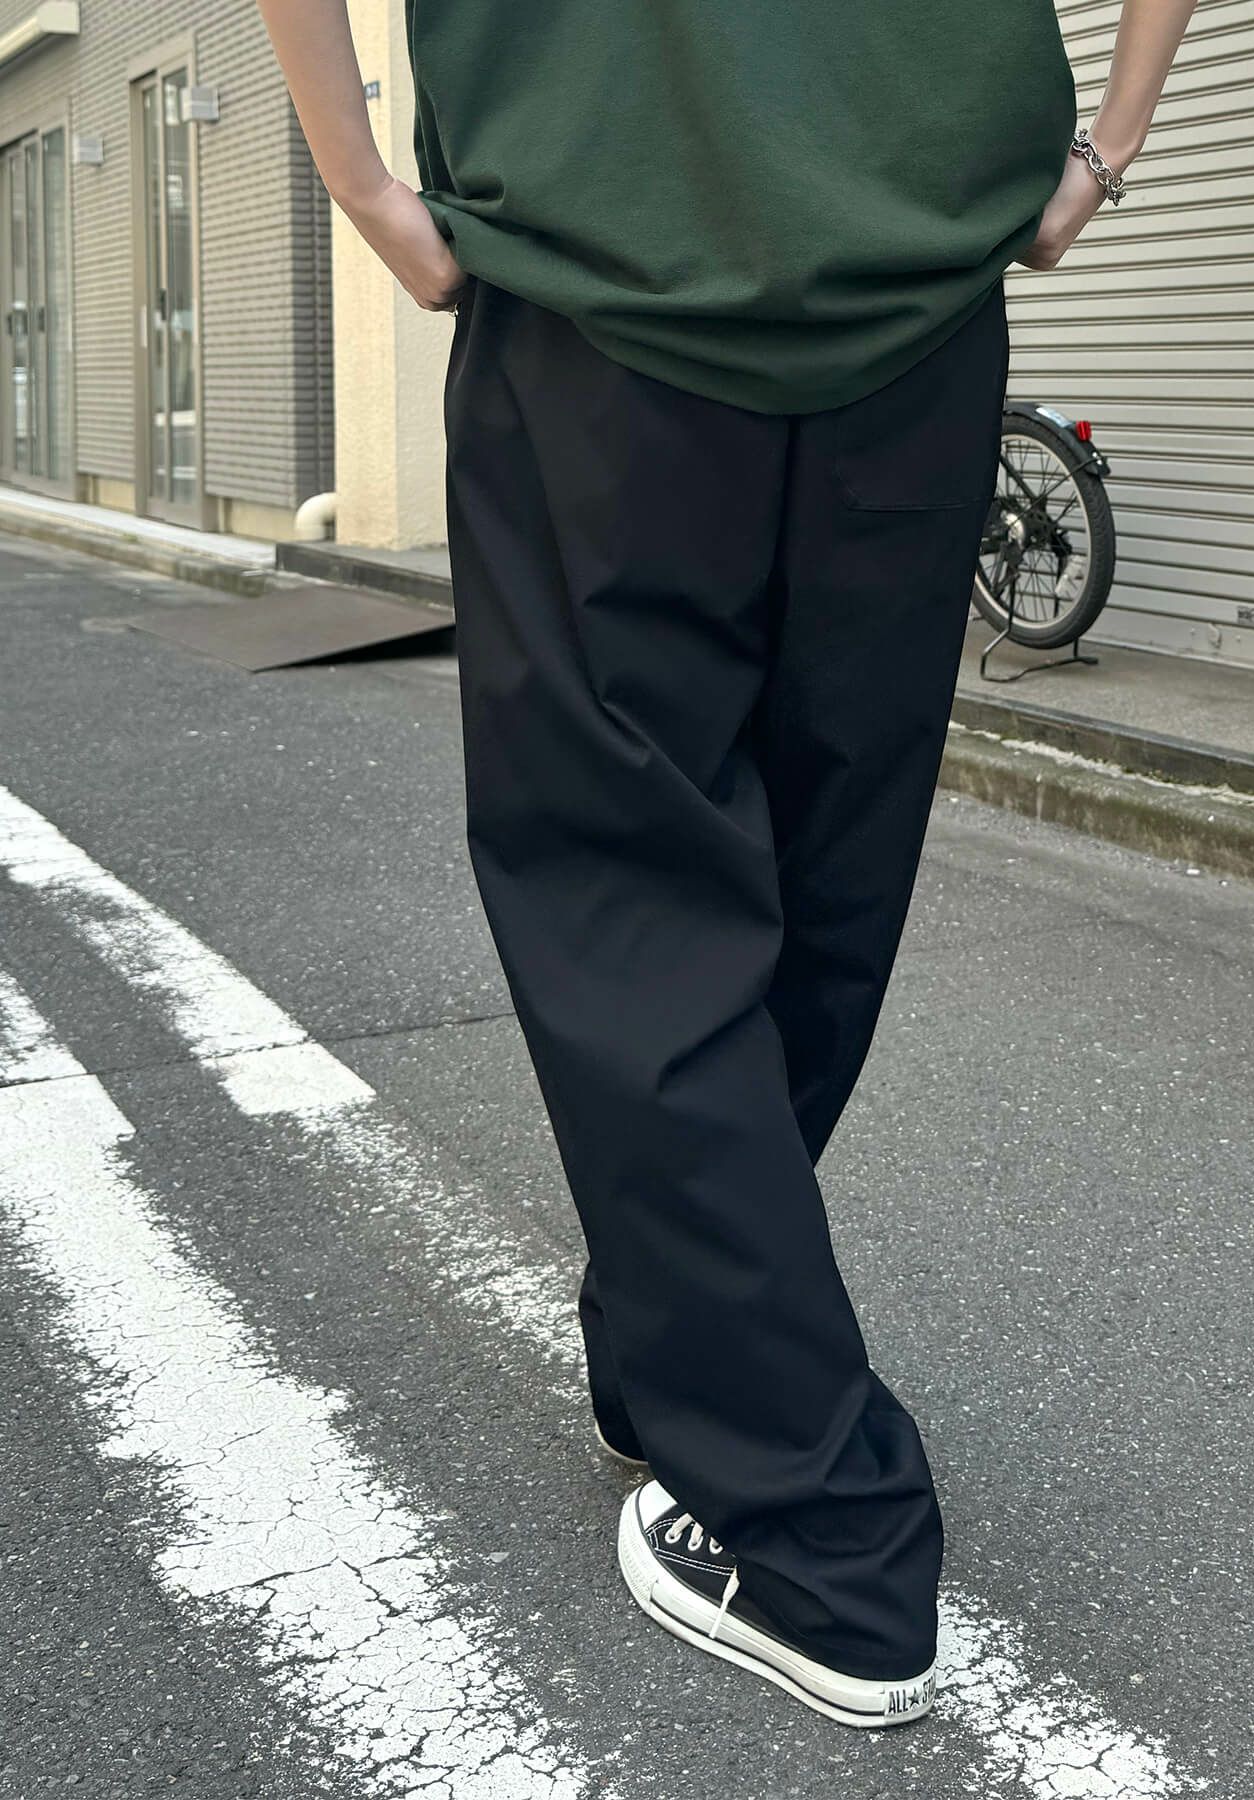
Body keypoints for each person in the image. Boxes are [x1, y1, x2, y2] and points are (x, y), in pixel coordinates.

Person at [258, 0, 1201, 1729]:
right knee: (828, 868)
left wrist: (361, 181)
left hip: (602, 280)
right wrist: (1107, 145)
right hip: (914, 291)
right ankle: (676, 1345)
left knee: (629, 890)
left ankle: (820, 1540)